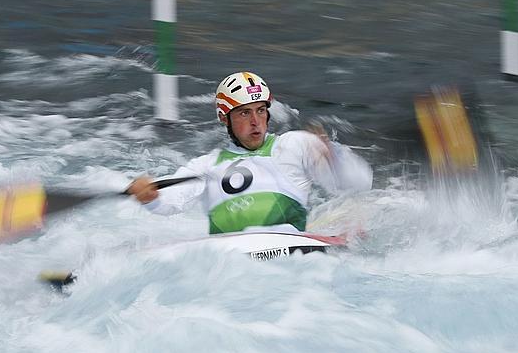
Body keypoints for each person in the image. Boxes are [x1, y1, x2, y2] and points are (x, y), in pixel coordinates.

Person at [127, 71, 372, 234]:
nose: (256, 121)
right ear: (225, 118)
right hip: (233, 265)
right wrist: (150, 196)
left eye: (261, 111)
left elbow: (360, 182)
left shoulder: (295, 145)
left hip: (294, 260)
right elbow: (170, 203)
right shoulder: (206, 165)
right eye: (245, 113)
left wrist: (335, 159)